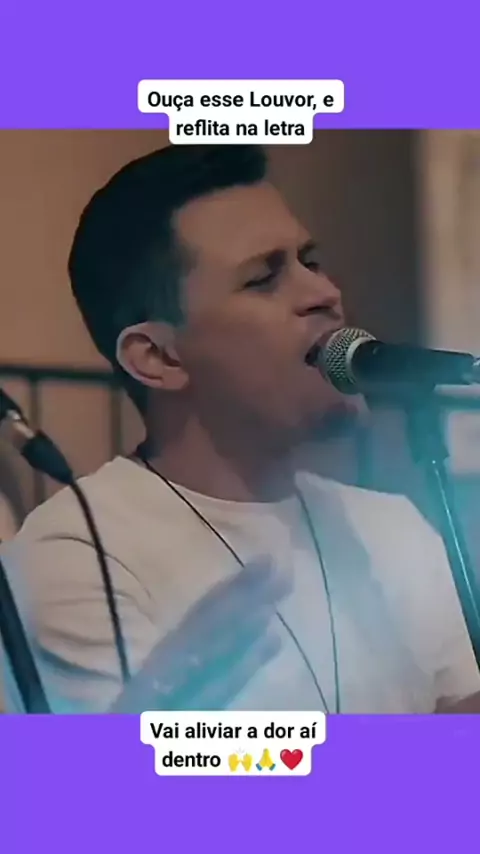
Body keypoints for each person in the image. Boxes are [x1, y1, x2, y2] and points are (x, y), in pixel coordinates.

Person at [1, 144, 479, 715]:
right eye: (263, 279)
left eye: (310, 262)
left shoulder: (391, 527)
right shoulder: (78, 555)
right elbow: (113, 773)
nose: (324, 293)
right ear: (158, 357)